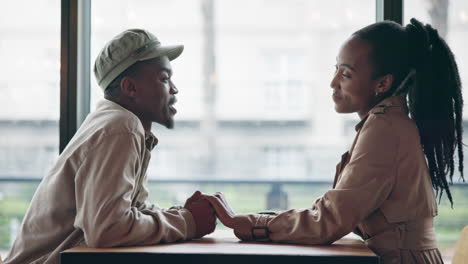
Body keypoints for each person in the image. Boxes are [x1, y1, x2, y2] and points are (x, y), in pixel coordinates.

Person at [203, 18, 464, 264]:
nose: (333, 83)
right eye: (336, 70)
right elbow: (333, 212)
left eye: (346, 74)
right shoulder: (386, 123)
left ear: (382, 83)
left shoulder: (385, 129)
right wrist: (257, 220)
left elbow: (328, 221)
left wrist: (250, 223)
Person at [4, 29, 216, 264]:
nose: (174, 89)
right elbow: (107, 229)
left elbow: (128, 213)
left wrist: (179, 214)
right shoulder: (121, 127)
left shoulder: (113, 122)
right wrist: (187, 222)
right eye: (164, 79)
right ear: (130, 88)